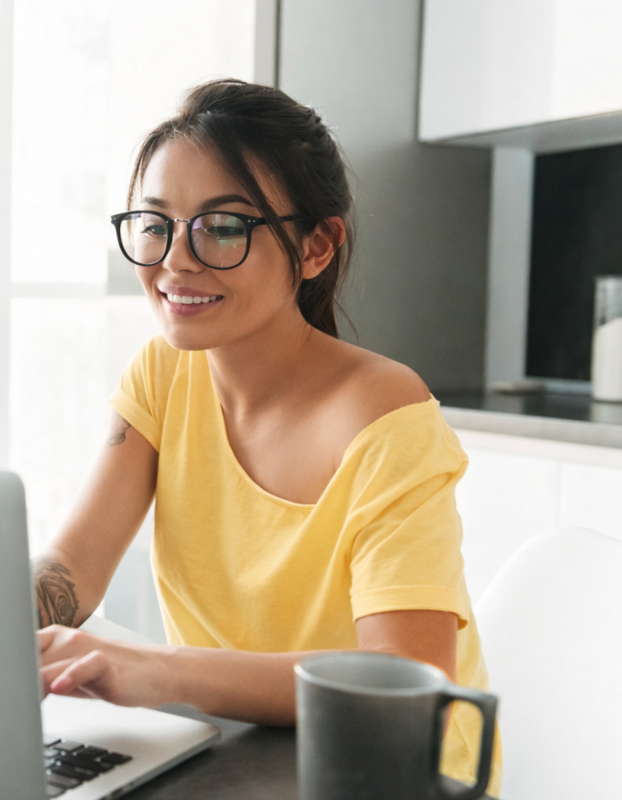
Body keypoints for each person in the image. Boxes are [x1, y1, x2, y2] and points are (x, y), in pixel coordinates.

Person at [33, 79, 502, 794]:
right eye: (155, 224)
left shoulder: (387, 419)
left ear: (316, 246)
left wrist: (158, 670)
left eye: (223, 226)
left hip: (394, 775)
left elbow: (410, 684)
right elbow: (74, 567)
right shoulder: (162, 373)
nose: (175, 261)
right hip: (241, 753)